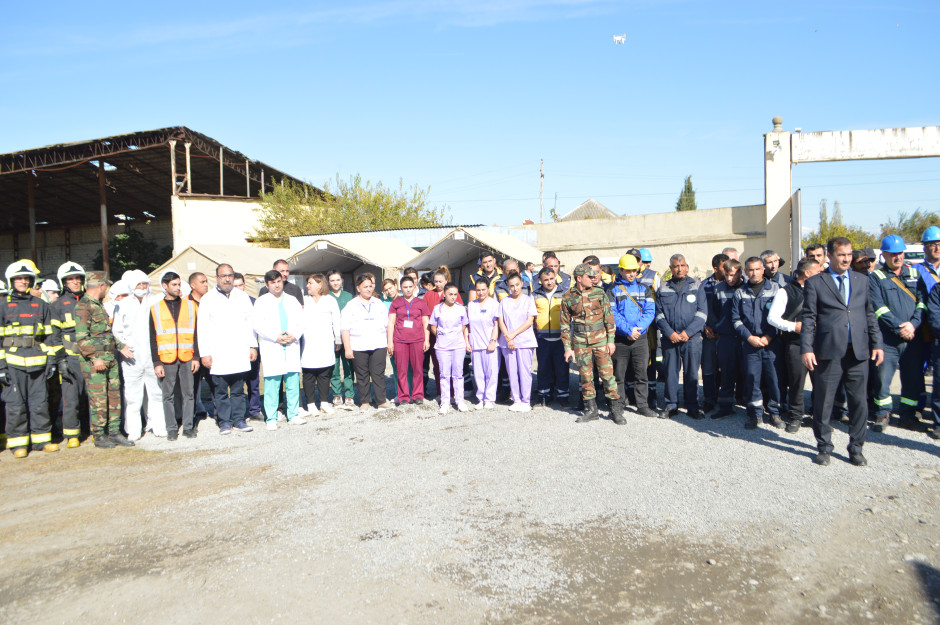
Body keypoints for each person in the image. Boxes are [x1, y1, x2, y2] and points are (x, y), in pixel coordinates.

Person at [801, 237, 884, 467]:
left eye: (849, 254)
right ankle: (824, 447)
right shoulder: (816, 282)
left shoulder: (862, 280)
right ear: (829, 256)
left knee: (859, 403)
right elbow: (808, 318)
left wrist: (877, 343)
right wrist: (806, 348)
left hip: (858, 351)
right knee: (824, 402)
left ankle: (856, 448)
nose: (847, 259)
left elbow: (869, 314)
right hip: (828, 350)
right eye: (841, 255)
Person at [1, 260, 60, 457]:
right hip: (13, 362)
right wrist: (1, 366)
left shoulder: (41, 305)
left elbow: (50, 336)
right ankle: (18, 445)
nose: (23, 281)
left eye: (26, 278)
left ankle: (42, 441)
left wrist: (51, 361)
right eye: (19, 278)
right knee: (16, 405)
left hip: (38, 362)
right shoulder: (3, 306)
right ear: (11, 281)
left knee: (40, 403)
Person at [73, 271, 136, 449]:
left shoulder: (98, 305)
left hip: (110, 358)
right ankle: (99, 434)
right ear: (101, 285)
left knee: (114, 396)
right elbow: (81, 338)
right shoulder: (83, 306)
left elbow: (105, 333)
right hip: (96, 362)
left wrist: (120, 345)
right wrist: (95, 358)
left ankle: (114, 432)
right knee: (99, 399)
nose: (107, 289)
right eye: (106, 286)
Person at [869, 235, 924, 432]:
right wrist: (899, 327)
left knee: (913, 377)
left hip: (913, 337)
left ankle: (908, 415)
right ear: (883, 255)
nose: (898, 257)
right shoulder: (876, 277)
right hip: (888, 339)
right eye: (893, 254)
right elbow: (878, 308)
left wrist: (913, 325)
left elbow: (922, 303)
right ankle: (882, 414)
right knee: (883, 377)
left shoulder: (915, 274)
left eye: (900, 253)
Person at [197, 263, 258, 436]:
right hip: (218, 353)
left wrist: (253, 346)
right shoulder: (208, 299)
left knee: (238, 390)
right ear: (216, 278)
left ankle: (239, 420)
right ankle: (224, 422)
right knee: (221, 391)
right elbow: (202, 328)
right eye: (223, 276)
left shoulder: (242, 297)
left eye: (229, 275)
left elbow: (250, 323)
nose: (227, 279)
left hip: (239, 351)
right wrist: (205, 353)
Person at [560, 264, 622, 424]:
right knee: (586, 377)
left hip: (600, 340)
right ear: (579, 278)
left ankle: (615, 410)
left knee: (607, 376)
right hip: (581, 343)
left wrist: (611, 341)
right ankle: (592, 410)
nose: (593, 278)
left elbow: (609, 318)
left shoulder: (599, 293)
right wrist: (567, 348)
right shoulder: (568, 297)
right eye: (589, 276)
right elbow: (565, 325)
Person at [768, 258, 822, 432]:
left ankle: (819, 416)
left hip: (819, 344)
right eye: (817, 271)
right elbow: (772, 318)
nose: (821, 273)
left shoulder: (823, 290)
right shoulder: (785, 292)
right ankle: (796, 416)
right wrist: (794, 326)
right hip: (795, 344)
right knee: (796, 382)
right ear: (807, 273)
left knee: (820, 382)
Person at [112, 269, 166, 440]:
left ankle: (157, 425)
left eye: (145, 284)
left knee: (156, 393)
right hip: (131, 357)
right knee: (133, 396)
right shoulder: (122, 305)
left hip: (152, 356)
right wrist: (122, 347)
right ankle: (134, 430)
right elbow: (116, 330)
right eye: (139, 284)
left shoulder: (155, 301)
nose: (142, 287)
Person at [732, 257, 783, 430]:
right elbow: (736, 320)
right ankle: (755, 414)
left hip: (771, 343)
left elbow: (781, 317)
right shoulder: (740, 292)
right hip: (750, 343)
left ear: (763, 270)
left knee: (774, 379)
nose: (754, 273)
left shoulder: (776, 289)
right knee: (752, 379)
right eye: (750, 270)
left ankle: (775, 412)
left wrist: (769, 336)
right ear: (746, 272)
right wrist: (749, 338)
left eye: (757, 269)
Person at [655, 254, 708, 419]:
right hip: (670, 338)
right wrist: (669, 332)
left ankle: (692, 406)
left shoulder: (697, 286)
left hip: (691, 338)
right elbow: (658, 314)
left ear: (687, 267)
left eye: (682, 265)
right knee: (671, 373)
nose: (680, 269)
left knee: (691, 373)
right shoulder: (663, 287)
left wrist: (688, 332)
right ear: (671, 269)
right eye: (676, 266)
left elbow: (702, 313)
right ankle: (671, 405)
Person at [150, 271, 200, 440]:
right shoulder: (155, 309)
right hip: (166, 358)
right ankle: (171, 428)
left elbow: (196, 333)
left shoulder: (191, 306)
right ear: (164, 286)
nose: (178, 288)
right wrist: (156, 362)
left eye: (179, 284)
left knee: (188, 394)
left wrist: (196, 357)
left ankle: (188, 427)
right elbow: (152, 338)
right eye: (174, 285)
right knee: (168, 396)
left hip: (187, 357)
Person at [254, 269, 305, 430]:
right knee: (272, 385)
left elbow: (301, 322)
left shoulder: (292, 300)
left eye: (278, 281)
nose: (276, 285)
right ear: (267, 285)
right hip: (272, 346)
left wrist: (294, 335)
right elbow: (258, 325)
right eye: (273, 283)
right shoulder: (261, 302)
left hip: (291, 345)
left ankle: (293, 414)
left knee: (292, 383)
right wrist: (275, 337)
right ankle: (271, 417)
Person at [608, 254, 657, 419]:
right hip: (621, 339)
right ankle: (618, 406)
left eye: (634, 270)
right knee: (618, 375)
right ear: (620, 270)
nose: (631, 274)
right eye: (628, 271)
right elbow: (612, 314)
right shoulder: (612, 290)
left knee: (641, 374)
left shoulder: (644, 289)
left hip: (640, 339)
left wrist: (638, 330)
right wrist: (628, 331)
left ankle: (642, 405)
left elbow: (650, 311)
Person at [48, 261, 88, 448]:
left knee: (90, 396)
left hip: (90, 358)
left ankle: (90, 430)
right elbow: (54, 336)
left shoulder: (90, 301)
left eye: (78, 278)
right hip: (70, 359)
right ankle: (72, 434)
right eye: (70, 279)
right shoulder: (57, 305)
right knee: (71, 398)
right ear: (64, 282)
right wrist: (60, 360)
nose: (75, 282)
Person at [342, 273, 391, 411]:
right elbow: (345, 328)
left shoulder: (379, 303)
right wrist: (347, 348)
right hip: (359, 345)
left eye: (370, 286)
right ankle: (365, 402)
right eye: (365, 287)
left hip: (378, 344)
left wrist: (389, 342)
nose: (369, 289)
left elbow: (387, 325)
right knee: (362, 375)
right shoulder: (351, 305)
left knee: (378, 374)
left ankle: (381, 400)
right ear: (358, 288)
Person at [301, 274, 341, 415]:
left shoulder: (330, 300)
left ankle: (324, 403)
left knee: (325, 373)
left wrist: (338, 339)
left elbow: (336, 320)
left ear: (319, 284)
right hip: (308, 343)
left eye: (310, 283)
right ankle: (311, 404)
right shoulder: (304, 300)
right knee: (309, 374)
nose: (307, 285)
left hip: (325, 342)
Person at [497, 273, 538, 412]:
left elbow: (529, 321)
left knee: (524, 371)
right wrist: (508, 337)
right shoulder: (504, 302)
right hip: (507, 342)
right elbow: (501, 321)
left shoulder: (528, 300)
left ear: (522, 283)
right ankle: (516, 399)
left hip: (524, 341)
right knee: (512, 371)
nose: (515, 288)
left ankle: (526, 400)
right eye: (511, 286)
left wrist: (513, 335)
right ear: (508, 287)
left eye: (517, 285)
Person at [387, 275, 430, 405]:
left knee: (417, 369)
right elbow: (391, 323)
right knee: (401, 370)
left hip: (417, 339)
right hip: (400, 340)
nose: (408, 289)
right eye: (405, 287)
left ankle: (417, 395)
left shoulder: (421, 303)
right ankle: (403, 396)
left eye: (410, 286)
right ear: (401, 288)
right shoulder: (396, 303)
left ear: (414, 286)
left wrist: (427, 340)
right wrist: (390, 342)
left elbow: (426, 322)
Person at [428, 282, 471, 413]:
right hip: (442, 346)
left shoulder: (461, 308)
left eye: (455, 294)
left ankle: (460, 401)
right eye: (450, 294)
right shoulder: (438, 309)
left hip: (458, 345)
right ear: (444, 294)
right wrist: (441, 335)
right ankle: (445, 402)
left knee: (458, 374)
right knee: (444, 374)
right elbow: (433, 325)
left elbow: (464, 325)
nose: (453, 297)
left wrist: (456, 335)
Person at [424, 267, 465, 399]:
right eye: (436, 281)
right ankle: (441, 393)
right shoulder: (429, 295)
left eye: (440, 281)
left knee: (455, 367)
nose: (438, 284)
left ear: (446, 281)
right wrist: (438, 335)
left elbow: (462, 318)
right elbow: (426, 317)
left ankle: (455, 394)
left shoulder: (453, 294)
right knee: (439, 366)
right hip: (436, 336)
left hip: (454, 338)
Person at [711, 258, 744, 419]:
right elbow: (714, 311)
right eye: (726, 275)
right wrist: (718, 328)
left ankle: (748, 406)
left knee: (747, 372)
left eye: (732, 275)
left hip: (744, 337)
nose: (729, 279)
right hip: (726, 338)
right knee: (726, 373)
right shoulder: (718, 288)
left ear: (740, 273)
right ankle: (725, 406)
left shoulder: (746, 288)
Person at [532, 267, 569, 409]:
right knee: (543, 369)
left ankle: (563, 397)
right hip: (542, 339)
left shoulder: (564, 293)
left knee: (562, 369)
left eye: (551, 279)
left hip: (561, 338)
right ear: (540, 281)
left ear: (556, 278)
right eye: (546, 279)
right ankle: (543, 397)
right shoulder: (535, 295)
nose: (549, 282)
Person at [701, 253, 729, 413]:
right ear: (716, 268)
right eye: (724, 267)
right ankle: (709, 400)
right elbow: (699, 308)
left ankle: (726, 400)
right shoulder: (704, 285)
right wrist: (704, 326)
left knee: (725, 368)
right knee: (708, 369)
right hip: (709, 334)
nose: (728, 270)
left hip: (725, 334)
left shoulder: (732, 284)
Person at [467, 277, 501, 409]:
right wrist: (467, 342)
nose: (481, 293)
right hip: (475, 343)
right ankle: (480, 398)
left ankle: (490, 399)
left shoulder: (494, 304)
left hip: (489, 343)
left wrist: (493, 341)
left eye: (483, 290)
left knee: (491, 372)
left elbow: (496, 324)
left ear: (488, 289)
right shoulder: (471, 305)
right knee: (478, 373)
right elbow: (467, 326)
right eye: (478, 290)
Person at [233, 272, 262, 420]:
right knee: (236, 383)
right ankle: (237, 413)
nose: (238, 288)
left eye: (240, 285)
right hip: (236, 348)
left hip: (252, 346)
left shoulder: (253, 302)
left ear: (244, 285)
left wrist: (254, 347)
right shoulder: (228, 303)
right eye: (235, 286)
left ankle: (254, 410)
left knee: (253, 382)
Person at [327, 270, 356, 409]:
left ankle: (349, 395)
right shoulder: (326, 297)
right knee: (334, 367)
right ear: (328, 282)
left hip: (347, 336)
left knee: (348, 366)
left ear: (342, 280)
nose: (335, 283)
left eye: (337, 280)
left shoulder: (349, 296)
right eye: (332, 280)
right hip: (331, 337)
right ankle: (337, 394)